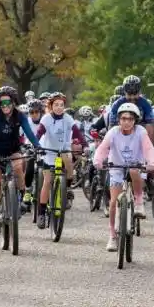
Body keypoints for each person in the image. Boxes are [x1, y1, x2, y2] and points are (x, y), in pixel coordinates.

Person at [0, 86, 42, 235]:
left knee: (19, 168)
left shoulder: (20, 116)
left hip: (13, 150)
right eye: (2, 103)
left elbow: (29, 132)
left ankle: (22, 199)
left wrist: (38, 146)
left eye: (8, 103)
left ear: (13, 102)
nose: (5, 106)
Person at [92, 102, 154, 252]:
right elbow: (103, 148)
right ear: (119, 120)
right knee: (114, 202)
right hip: (116, 167)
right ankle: (112, 236)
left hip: (136, 166)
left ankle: (139, 202)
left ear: (135, 120)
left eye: (130, 119)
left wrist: (151, 163)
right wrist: (98, 161)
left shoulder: (140, 131)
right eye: (123, 118)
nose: (126, 122)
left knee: (134, 170)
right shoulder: (113, 132)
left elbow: (148, 149)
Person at [35, 92, 86, 228]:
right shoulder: (46, 119)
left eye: (61, 105)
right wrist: (36, 145)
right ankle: (41, 212)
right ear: (51, 106)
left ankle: (67, 188)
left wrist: (85, 144)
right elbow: (39, 132)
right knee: (47, 181)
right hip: (49, 152)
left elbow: (77, 133)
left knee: (69, 161)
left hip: (63, 150)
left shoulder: (68, 118)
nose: (59, 107)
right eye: (56, 105)